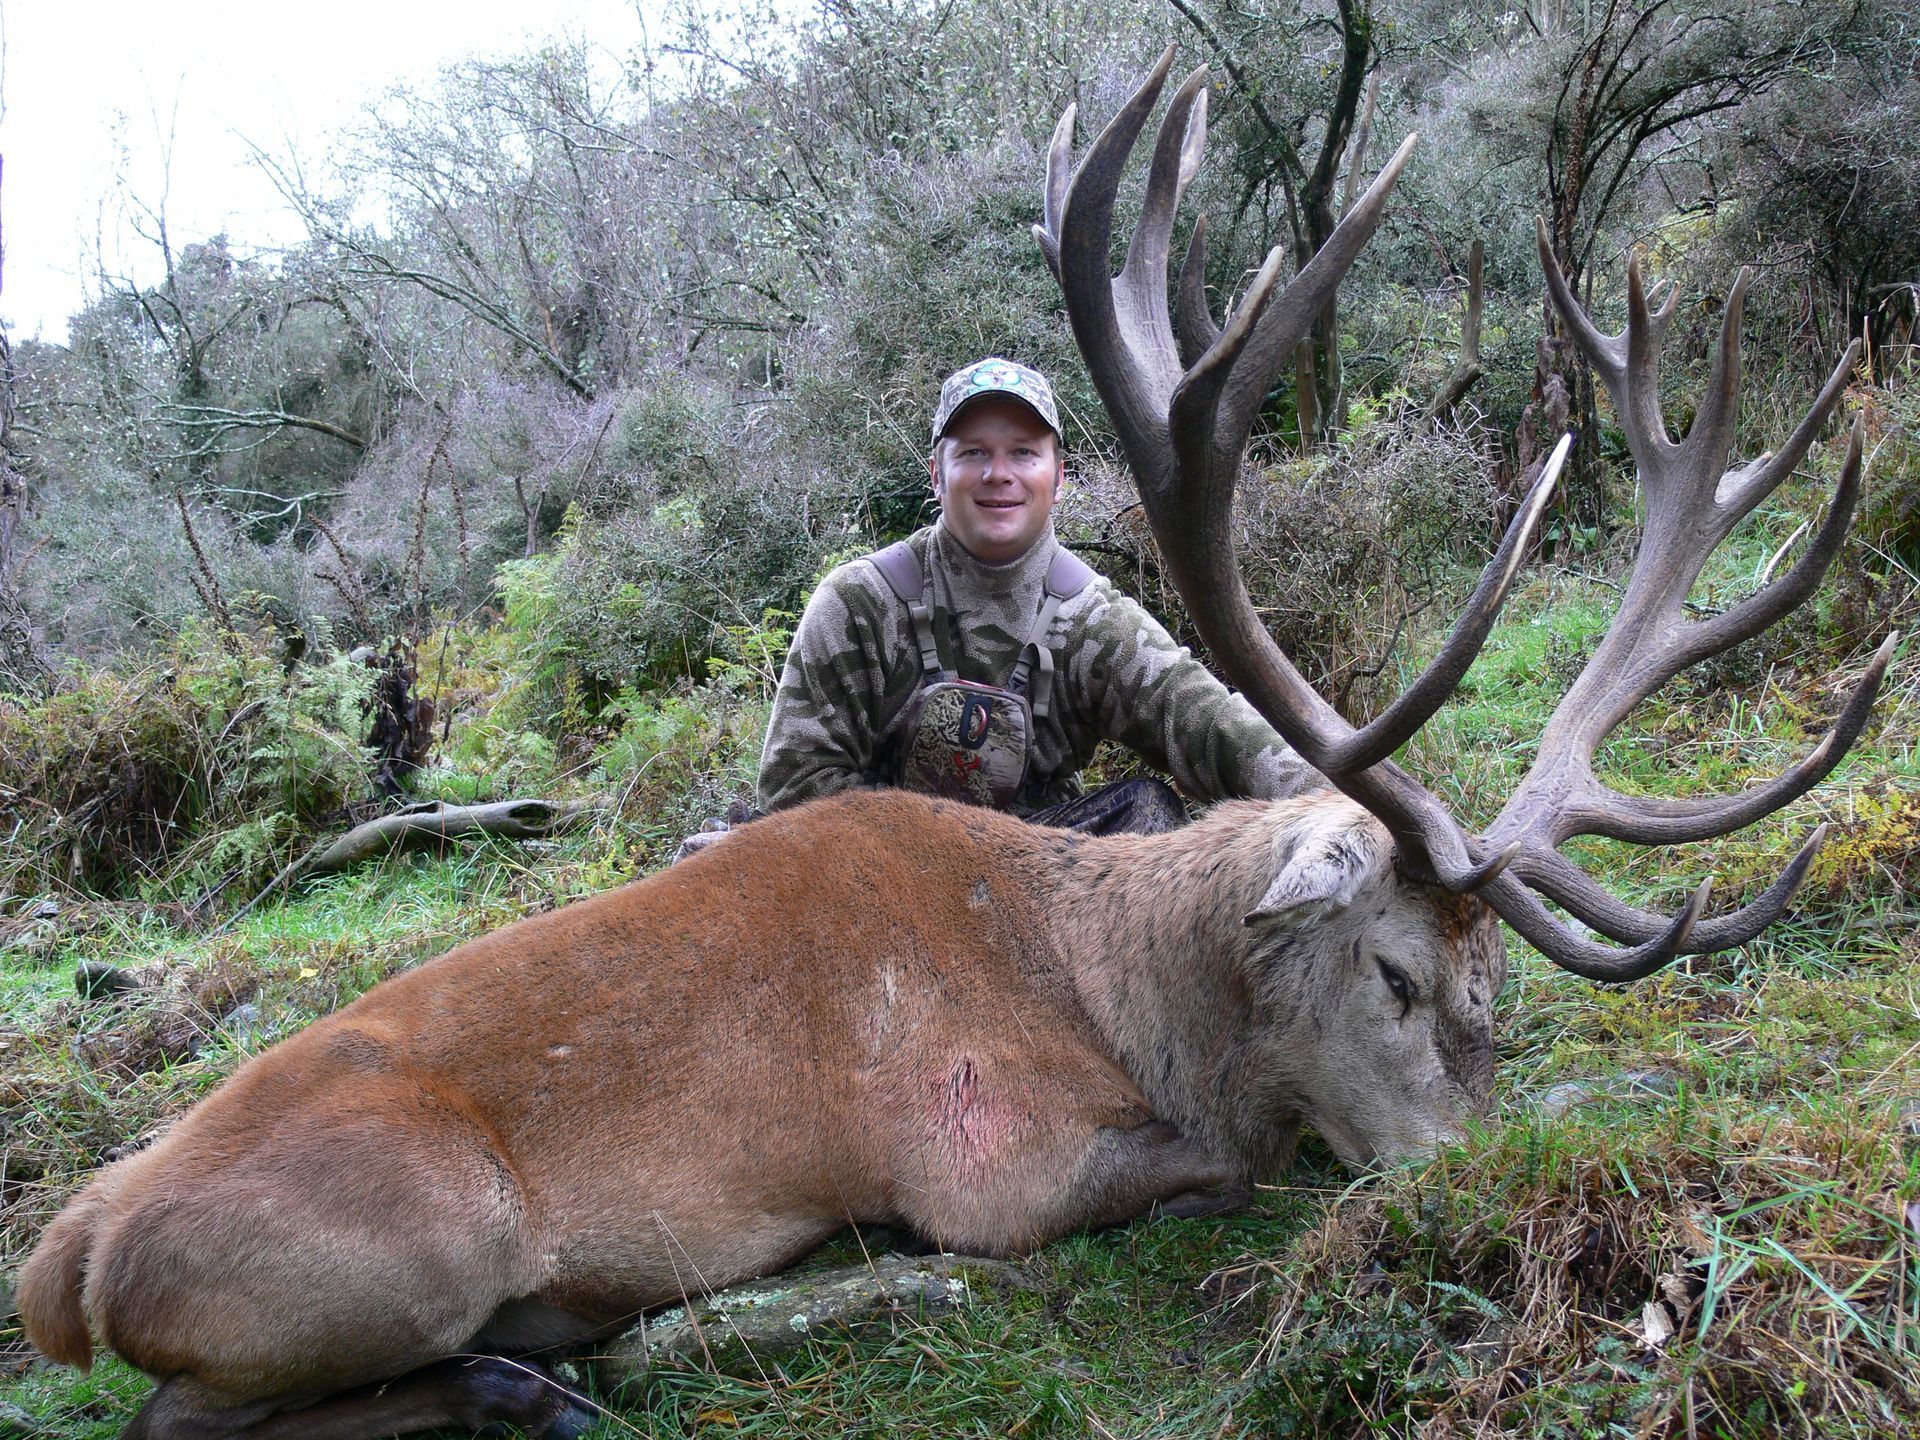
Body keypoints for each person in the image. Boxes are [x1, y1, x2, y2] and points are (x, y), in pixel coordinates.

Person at [750, 356, 1320, 837]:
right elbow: (794, 788)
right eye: (972, 452)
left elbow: (1205, 722)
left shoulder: (1092, 619)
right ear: (936, 476)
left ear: (1059, 476)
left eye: (1024, 452)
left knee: (1147, 813)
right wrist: (935, 860)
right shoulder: (858, 602)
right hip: (884, 886)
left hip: (1039, 897)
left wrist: (1339, 806)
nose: (999, 474)